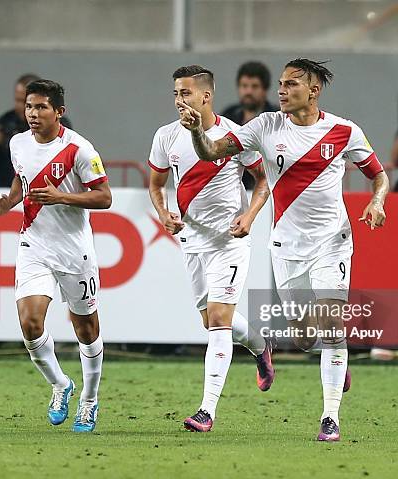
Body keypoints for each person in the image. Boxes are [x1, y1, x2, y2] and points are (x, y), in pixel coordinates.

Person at [177, 58, 390, 442]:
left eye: (291, 84)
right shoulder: (265, 126)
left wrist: (377, 201)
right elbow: (211, 151)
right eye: (280, 83)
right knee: (305, 338)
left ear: (313, 91)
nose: (281, 90)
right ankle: (331, 360)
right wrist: (196, 132)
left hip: (333, 242)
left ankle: (330, 417)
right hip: (287, 246)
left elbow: (379, 175)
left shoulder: (344, 131)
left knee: (331, 325)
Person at [148, 65, 274, 433]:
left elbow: (263, 178)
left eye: (186, 93)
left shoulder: (233, 135)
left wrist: (250, 215)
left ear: (205, 97)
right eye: (175, 93)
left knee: (218, 320)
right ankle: (261, 346)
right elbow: (156, 185)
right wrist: (163, 214)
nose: (179, 100)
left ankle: (207, 410)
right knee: (211, 319)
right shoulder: (165, 136)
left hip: (229, 242)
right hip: (192, 241)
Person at [0, 79, 111, 433]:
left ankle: (89, 400)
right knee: (29, 323)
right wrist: (7, 202)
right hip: (34, 245)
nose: (33, 114)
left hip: (74, 250)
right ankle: (61, 385)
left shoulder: (80, 150)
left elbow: (104, 198)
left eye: (41, 107)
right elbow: (20, 182)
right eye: (29, 107)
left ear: (59, 112)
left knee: (86, 328)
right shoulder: (17, 144)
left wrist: (62, 197)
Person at [0, 73, 73, 187]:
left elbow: (68, 159)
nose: (19, 106)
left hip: (44, 191)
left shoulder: (57, 122)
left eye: (24, 101)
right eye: (17, 100)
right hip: (7, 189)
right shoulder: (7, 120)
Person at [222, 61, 279, 189]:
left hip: (269, 187)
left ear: (265, 89)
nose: (248, 91)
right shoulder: (229, 115)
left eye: (254, 86)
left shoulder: (276, 118)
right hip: (234, 187)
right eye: (244, 86)